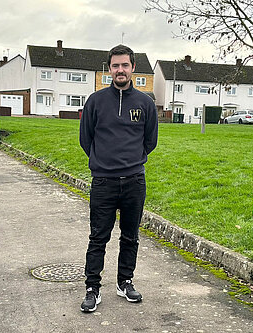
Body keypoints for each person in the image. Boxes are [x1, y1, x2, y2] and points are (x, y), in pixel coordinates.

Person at [79, 44, 158, 312]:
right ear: (109, 69)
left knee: (130, 236)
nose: (120, 70)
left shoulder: (146, 103)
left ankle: (125, 281)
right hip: (103, 182)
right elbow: (85, 138)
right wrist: (103, 162)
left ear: (133, 68)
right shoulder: (96, 101)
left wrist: (132, 160)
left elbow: (150, 141)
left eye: (125, 65)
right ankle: (92, 288)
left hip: (134, 182)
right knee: (98, 237)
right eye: (115, 66)